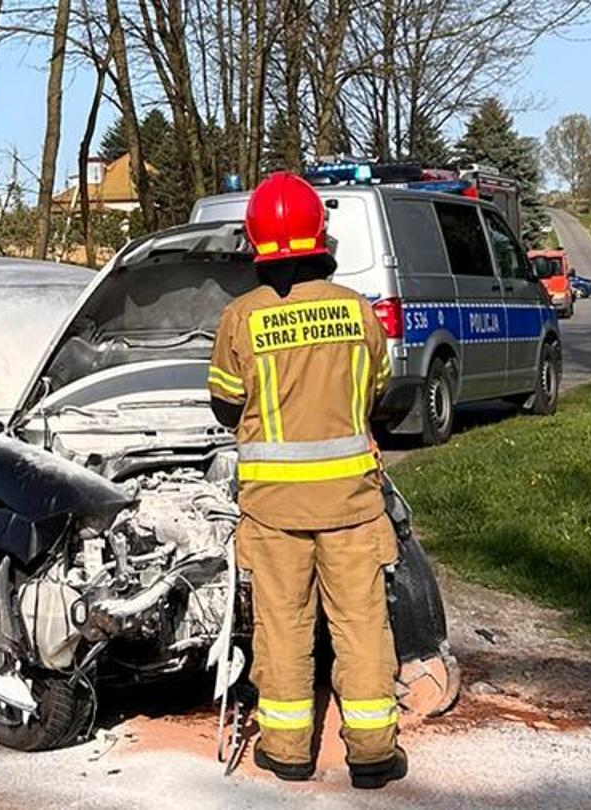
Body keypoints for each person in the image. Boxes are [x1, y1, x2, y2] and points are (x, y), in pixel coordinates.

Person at [208, 171, 405, 789]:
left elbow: (224, 405)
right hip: (352, 505)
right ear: (323, 239)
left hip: (274, 512)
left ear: (255, 245)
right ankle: (373, 752)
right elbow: (381, 394)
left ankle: (288, 750)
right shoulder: (356, 312)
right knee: (361, 626)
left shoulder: (241, 318)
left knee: (284, 627)